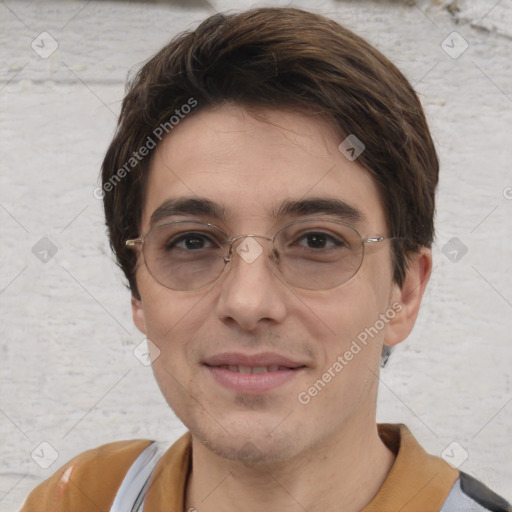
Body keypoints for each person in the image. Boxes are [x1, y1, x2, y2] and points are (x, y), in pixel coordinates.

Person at [20, 7, 511, 512]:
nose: (248, 302)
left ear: (404, 293)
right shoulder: (83, 499)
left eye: (317, 242)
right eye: (192, 242)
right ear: (138, 293)